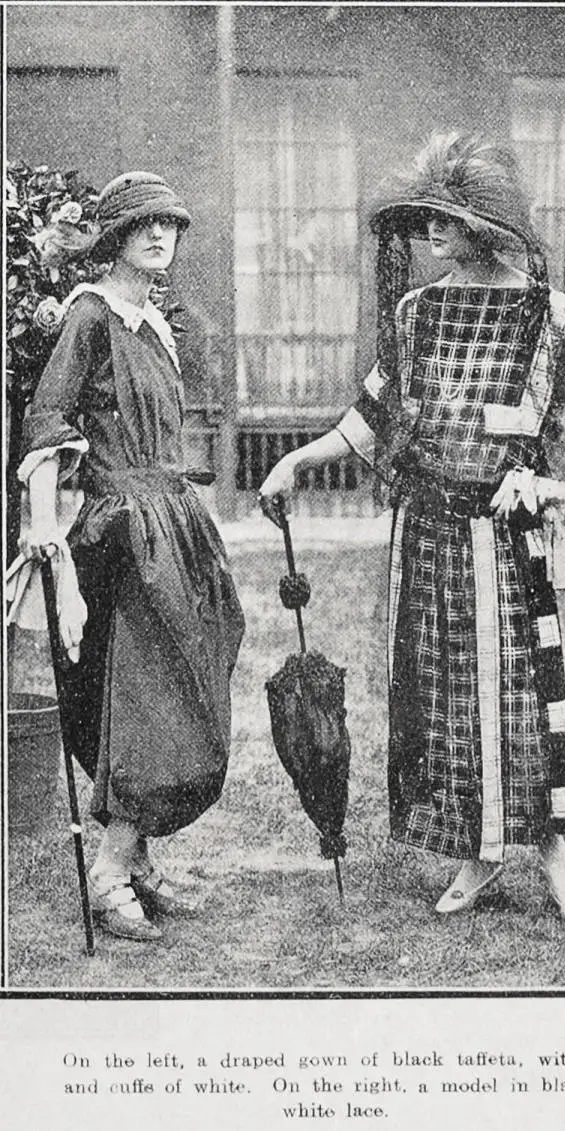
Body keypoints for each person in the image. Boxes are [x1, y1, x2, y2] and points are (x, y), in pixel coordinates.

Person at [259, 133, 565, 925]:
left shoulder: (546, 315)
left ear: (480, 223)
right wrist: (297, 462)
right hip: (428, 539)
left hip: (508, 547)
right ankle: (475, 854)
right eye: (419, 225)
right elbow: (374, 417)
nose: (425, 237)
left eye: (440, 223)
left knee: (522, 696)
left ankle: (551, 853)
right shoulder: (417, 312)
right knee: (441, 702)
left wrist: (554, 484)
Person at [19, 171, 245, 941]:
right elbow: (47, 420)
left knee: (191, 679)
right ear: (114, 237)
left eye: (170, 225)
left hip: (173, 525)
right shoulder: (92, 314)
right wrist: (43, 534)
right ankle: (109, 869)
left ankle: (137, 855)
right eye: (143, 225)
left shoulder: (157, 323)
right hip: (120, 535)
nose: (159, 236)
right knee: (154, 701)